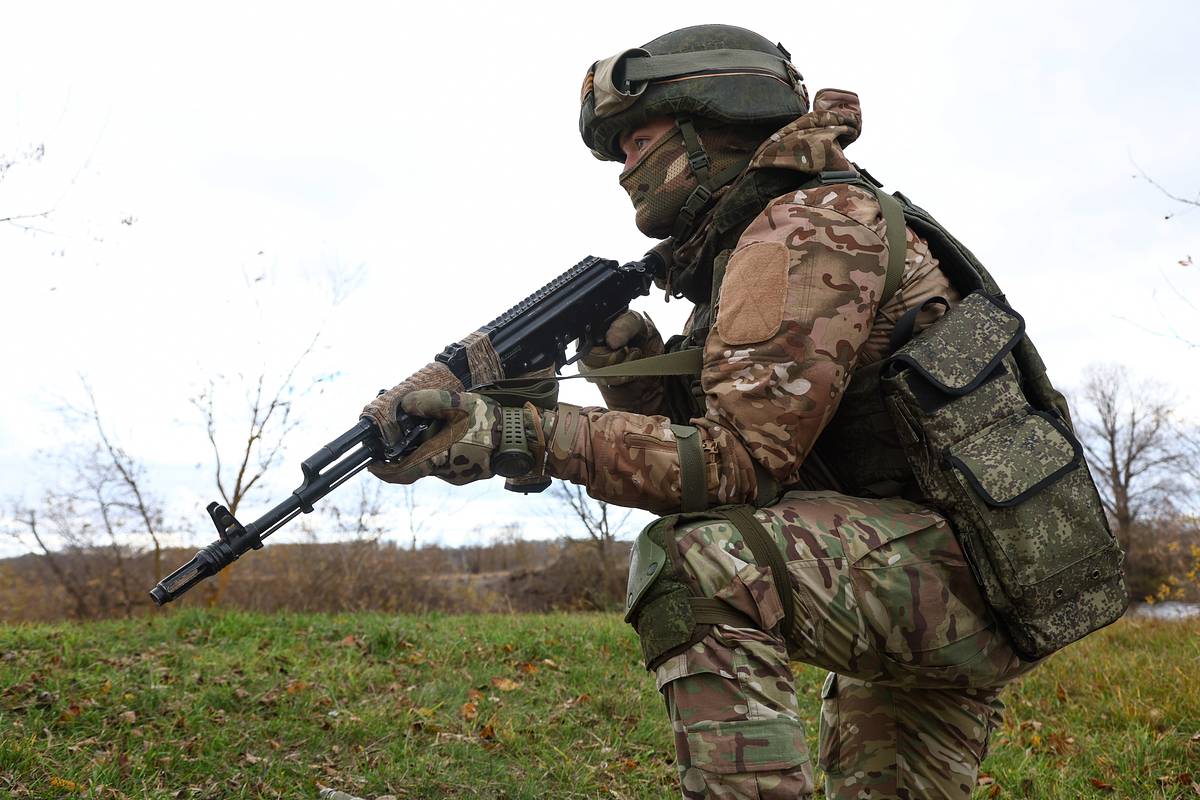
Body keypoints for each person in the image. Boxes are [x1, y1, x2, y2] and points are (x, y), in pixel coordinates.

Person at [363, 24, 1040, 800]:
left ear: (709, 118)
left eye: (636, 140)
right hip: (949, 568)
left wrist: (519, 434)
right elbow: (737, 432)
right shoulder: (765, 238)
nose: (625, 169)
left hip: (944, 569)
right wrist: (630, 375)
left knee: (702, 563)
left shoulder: (809, 229)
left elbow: (737, 466)